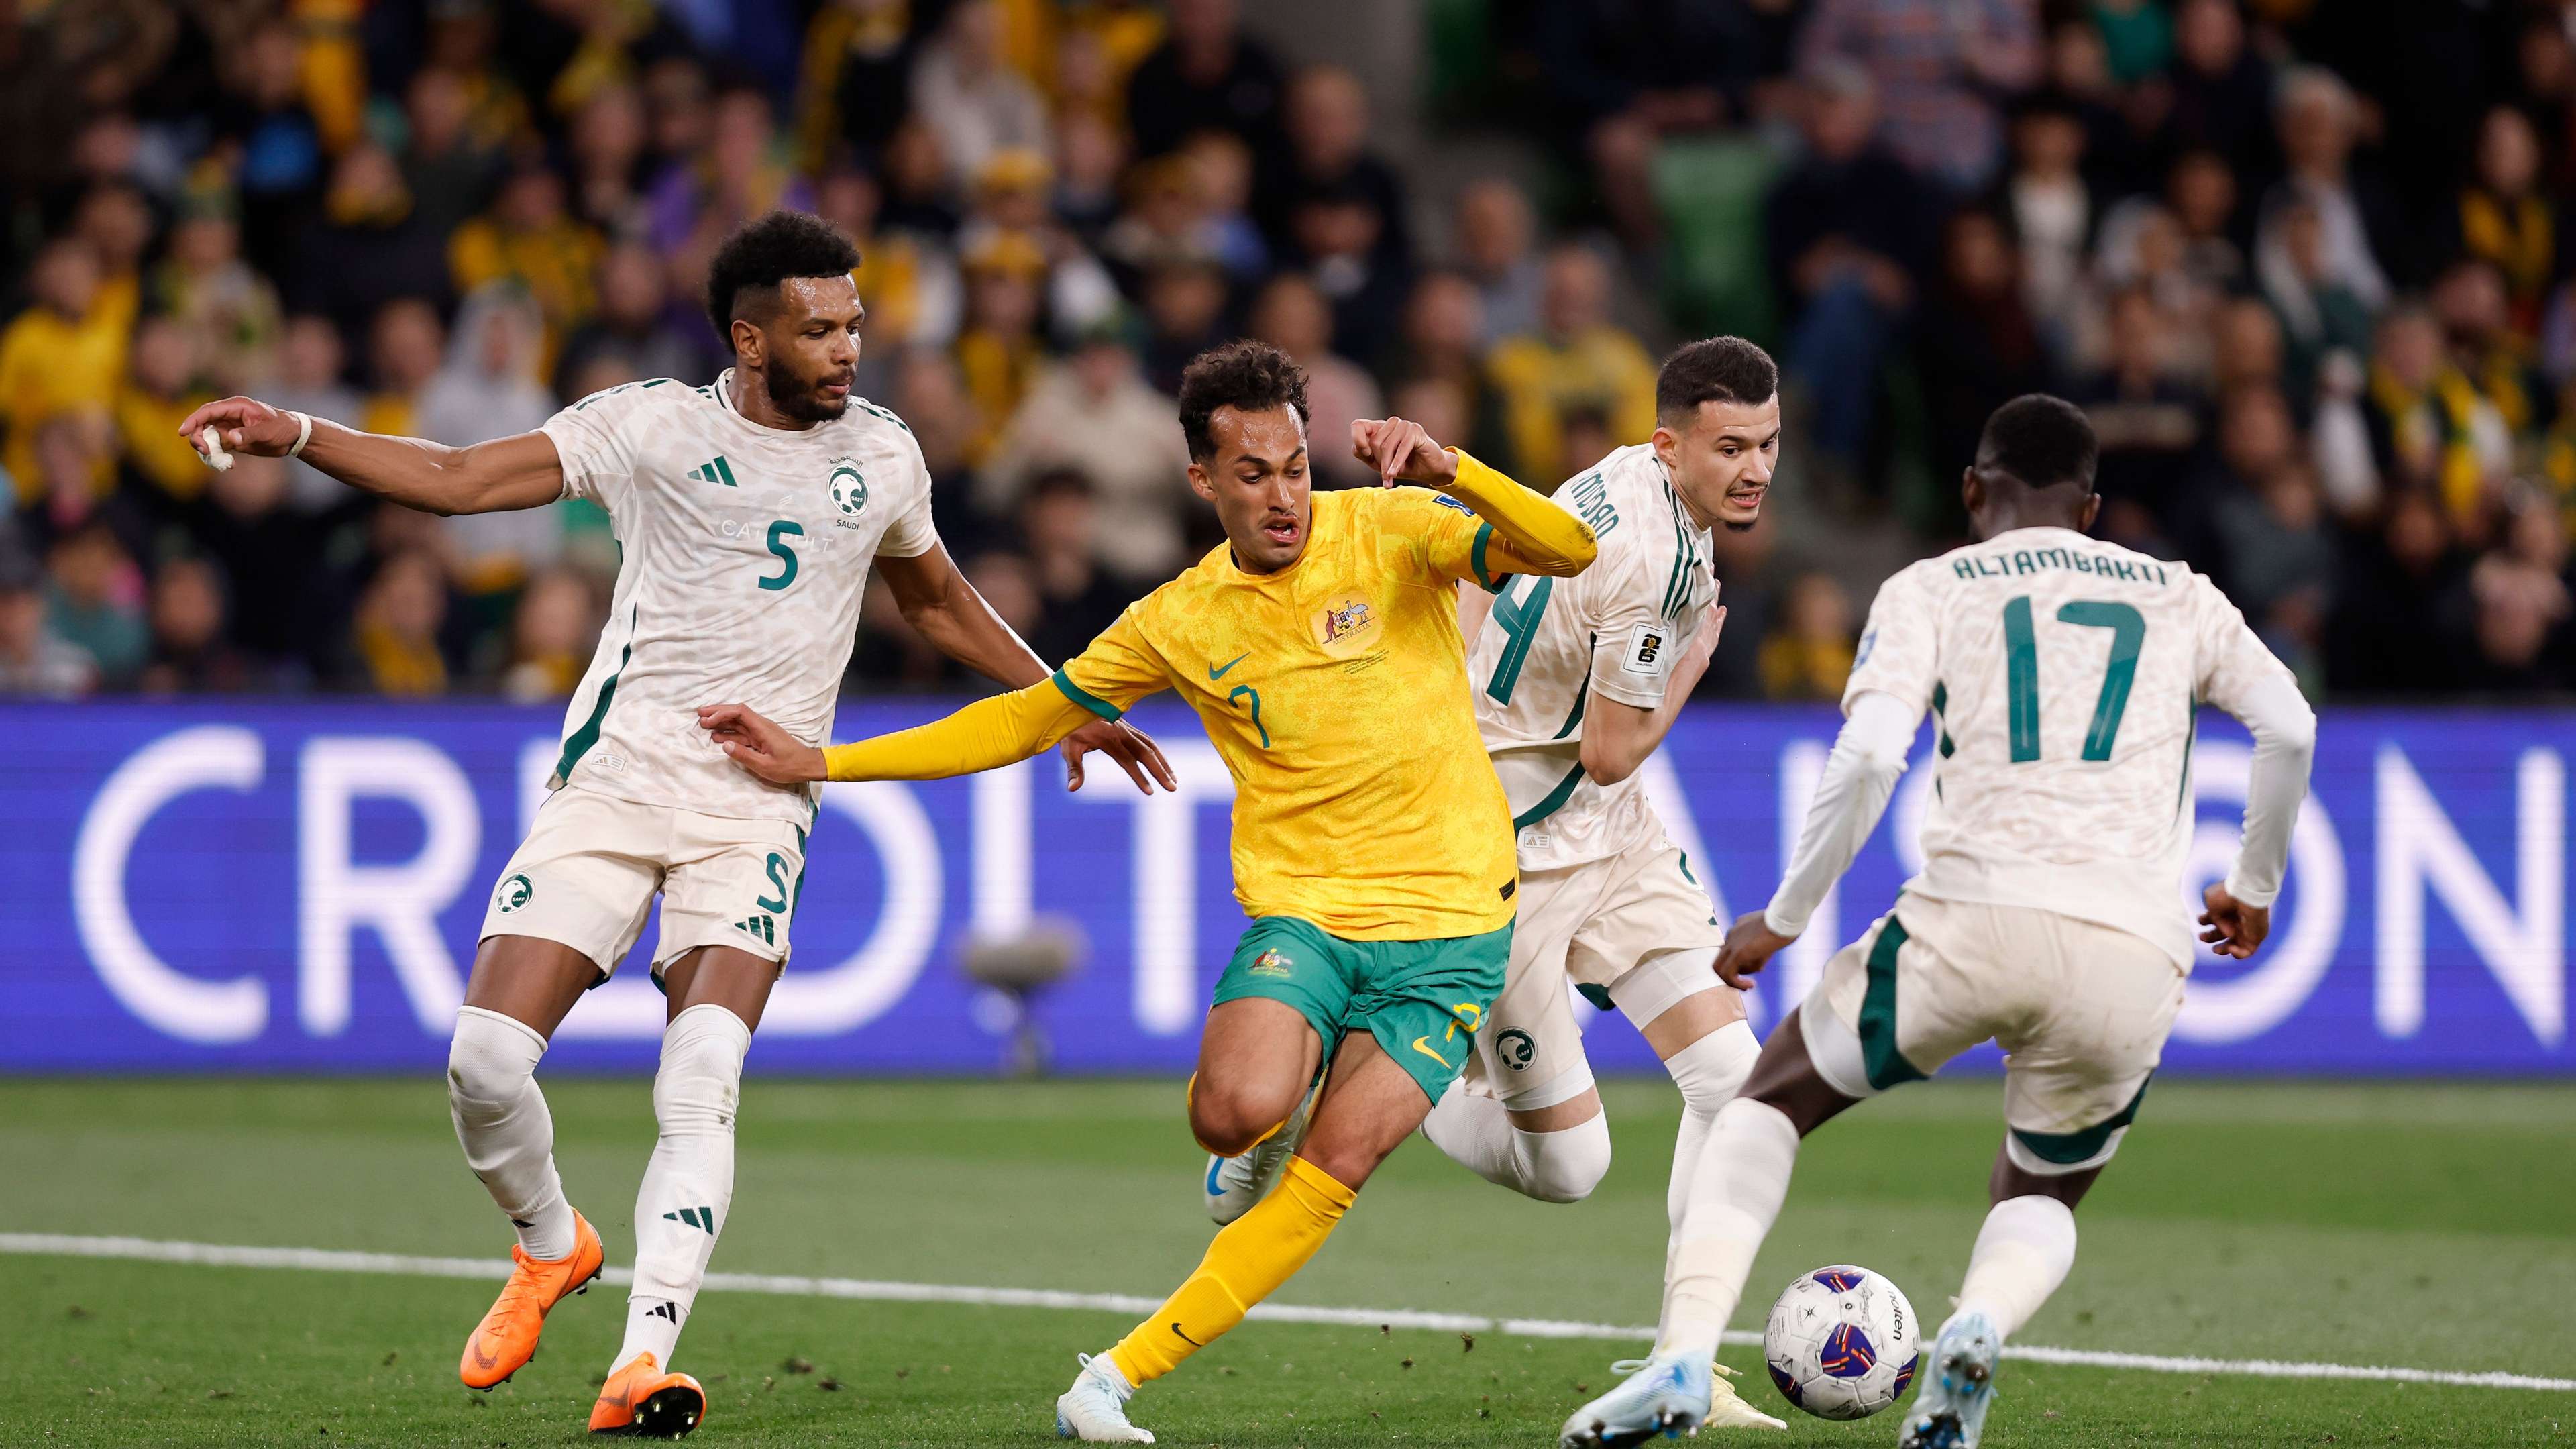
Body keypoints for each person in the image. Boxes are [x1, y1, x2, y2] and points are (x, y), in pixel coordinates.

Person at [176, 209, 1170, 1440]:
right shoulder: (650, 424)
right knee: (484, 1064)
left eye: (855, 323)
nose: (849, 348)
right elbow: (457, 482)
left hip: (757, 808)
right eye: (820, 330)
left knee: (701, 1076)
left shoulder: (887, 455)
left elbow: (939, 600)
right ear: (750, 341)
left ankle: (642, 1361)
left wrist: (1063, 705)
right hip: (614, 785)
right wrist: (301, 433)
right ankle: (552, 1245)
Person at [696, 341, 1600, 1443]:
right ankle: (1256, 1135)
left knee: (1340, 1164)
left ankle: (1111, 1379)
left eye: (1296, 467)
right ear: (1203, 482)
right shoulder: (1179, 618)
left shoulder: (1395, 527)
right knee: (1227, 1112)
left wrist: (1451, 467)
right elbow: (1020, 720)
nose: (1284, 495)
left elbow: (1568, 546)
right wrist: (824, 758)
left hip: (1455, 929)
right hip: (1310, 916)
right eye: (1254, 473)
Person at [1684, 396, 2316, 1449]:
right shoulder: (2179, 593)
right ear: (2094, 507)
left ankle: (1680, 1357)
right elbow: (2289, 725)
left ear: (1973, 491)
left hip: (1970, 919)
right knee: (2043, 1189)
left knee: (1767, 1103)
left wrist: (1786, 916)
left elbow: (1875, 757)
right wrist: (2254, 886)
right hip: (2133, 946)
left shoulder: (1932, 584)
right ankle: (1976, 1325)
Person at [1395, 337, 1790, 1443]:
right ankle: (1394, 1076)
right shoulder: (1666, 561)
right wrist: (1694, 673)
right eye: (1730, 448)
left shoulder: (1609, 477)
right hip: (1512, 854)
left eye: (1767, 444)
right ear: (1673, 443)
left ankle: (1685, 1362)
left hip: (1606, 839)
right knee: (1571, 1169)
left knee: (1735, 1082)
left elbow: (1490, 583)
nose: (1754, 468)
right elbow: (1617, 747)